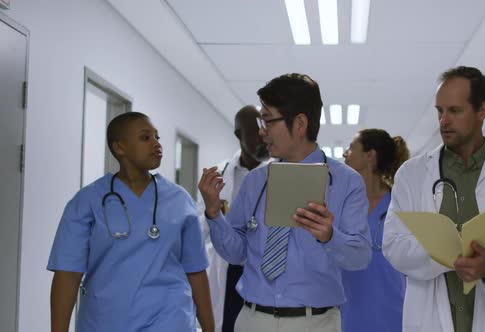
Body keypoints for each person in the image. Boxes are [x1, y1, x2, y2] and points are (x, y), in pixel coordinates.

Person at [382, 66, 485, 332]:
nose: (443, 120)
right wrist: (446, 254)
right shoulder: (412, 175)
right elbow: (392, 245)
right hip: (429, 319)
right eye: (440, 111)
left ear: (482, 111)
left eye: (455, 111)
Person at [198, 73, 371, 332]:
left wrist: (329, 236)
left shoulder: (347, 183)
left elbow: (360, 257)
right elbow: (236, 252)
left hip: (316, 323)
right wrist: (214, 213)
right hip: (253, 319)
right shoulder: (256, 181)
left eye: (268, 120)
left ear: (299, 123)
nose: (261, 131)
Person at [47, 112, 214, 332]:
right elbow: (67, 274)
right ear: (119, 148)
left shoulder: (180, 200)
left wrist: (210, 329)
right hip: (106, 320)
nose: (156, 143)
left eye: (157, 137)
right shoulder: (87, 201)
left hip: (170, 320)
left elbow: (196, 271)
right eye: (146, 138)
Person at [197, 105, 270, 332]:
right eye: (255, 133)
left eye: (265, 130)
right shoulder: (217, 174)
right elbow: (200, 228)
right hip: (229, 271)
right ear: (239, 135)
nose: (263, 137)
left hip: (264, 269)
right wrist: (213, 213)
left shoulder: (281, 172)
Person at [340, 129, 409, 332]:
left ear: (369, 156)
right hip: (349, 315)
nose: (345, 153)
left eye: (351, 148)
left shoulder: (400, 203)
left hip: (393, 314)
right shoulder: (343, 204)